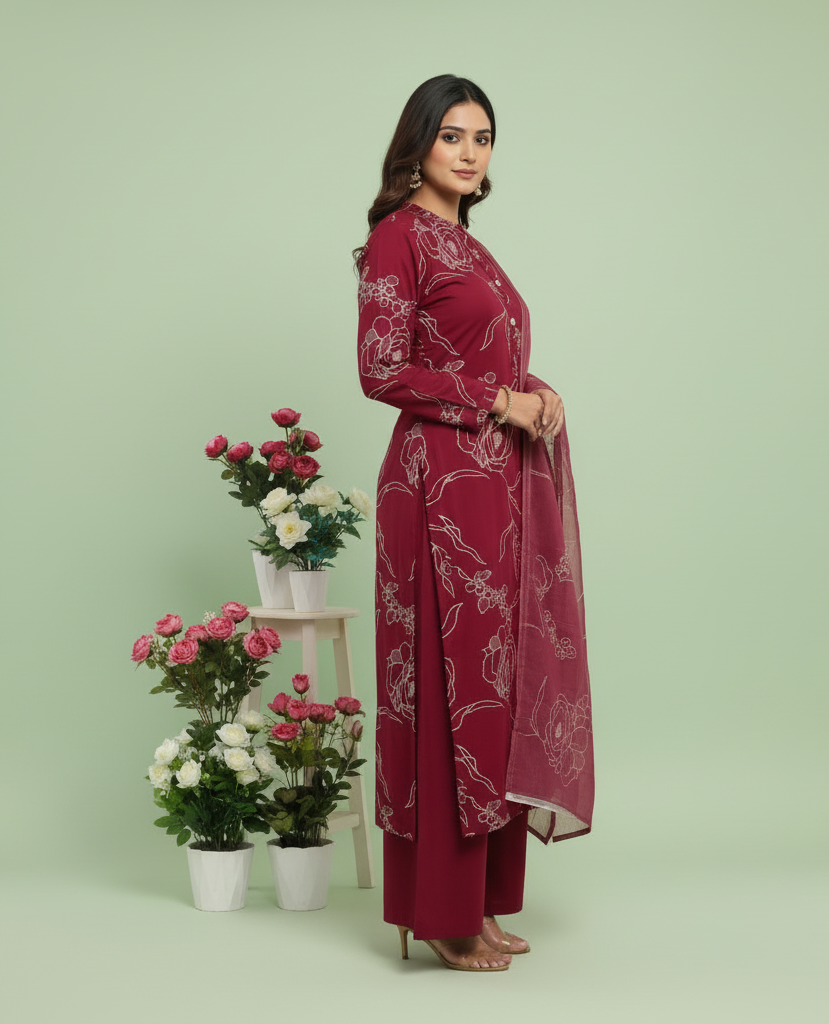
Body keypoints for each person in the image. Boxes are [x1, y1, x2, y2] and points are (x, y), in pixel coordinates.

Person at [355, 74, 594, 973]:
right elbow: (382, 372)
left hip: (496, 491)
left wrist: (535, 390)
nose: (468, 151)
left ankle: (483, 904)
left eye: (482, 138)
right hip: (435, 490)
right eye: (451, 134)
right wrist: (497, 396)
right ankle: (441, 911)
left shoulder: (466, 243)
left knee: (495, 684)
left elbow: (486, 355)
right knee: (446, 688)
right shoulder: (397, 240)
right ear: (417, 144)